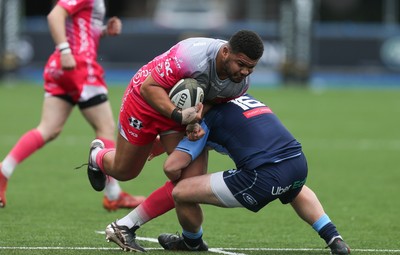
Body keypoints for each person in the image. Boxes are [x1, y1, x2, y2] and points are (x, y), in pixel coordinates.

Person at [103, 94, 351, 254]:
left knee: (181, 191)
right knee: (294, 189)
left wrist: (180, 144)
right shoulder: (244, 97)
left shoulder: (202, 122)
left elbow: (172, 168)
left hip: (260, 177)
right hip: (297, 162)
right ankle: (334, 239)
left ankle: (192, 242)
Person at [85, 30, 264, 214]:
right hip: (145, 100)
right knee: (124, 172)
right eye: (241, 64)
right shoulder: (192, 57)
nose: (244, 72)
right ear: (226, 52)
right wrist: (179, 115)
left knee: (190, 182)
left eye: (251, 67)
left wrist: (194, 122)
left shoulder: (241, 84)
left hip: (180, 111)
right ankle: (97, 156)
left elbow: (210, 101)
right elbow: (149, 87)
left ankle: (185, 238)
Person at [0, 0, 145, 211]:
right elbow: (55, 16)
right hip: (78, 65)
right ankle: (113, 194)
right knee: (105, 127)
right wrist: (65, 49)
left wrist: (103, 31)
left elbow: (79, 27)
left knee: (48, 129)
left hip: (62, 66)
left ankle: (4, 170)